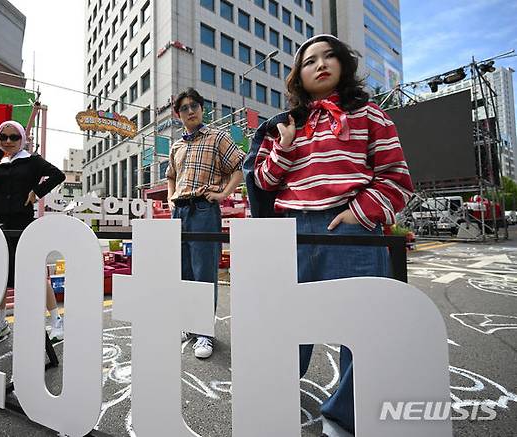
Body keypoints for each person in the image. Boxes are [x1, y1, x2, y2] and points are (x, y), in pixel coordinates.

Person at [253, 34, 414, 436]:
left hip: (352, 229)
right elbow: (263, 180)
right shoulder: (284, 125)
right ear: (298, 76)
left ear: (344, 64)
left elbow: (398, 180)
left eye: (329, 56)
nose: (320, 64)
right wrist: (284, 147)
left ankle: (343, 416)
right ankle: (276, 393)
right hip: (292, 232)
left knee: (362, 327)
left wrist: (357, 213)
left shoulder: (371, 116)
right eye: (310, 61)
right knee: (289, 322)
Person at [0, 120, 67, 346]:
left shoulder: (32, 161)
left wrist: (36, 192)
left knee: (33, 273)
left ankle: (56, 321)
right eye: (3, 137)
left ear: (22, 138)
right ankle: (1, 325)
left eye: (14, 137)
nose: (8, 141)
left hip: (21, 223)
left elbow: (58, 175)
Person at [166, 88, 245, 359]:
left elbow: (239, 166)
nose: (190, 111)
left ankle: (205, 334)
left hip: (203, 210)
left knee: (203, 273)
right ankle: (190, 324)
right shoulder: (176, 146)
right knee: (184, 272)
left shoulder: (217, 137)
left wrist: (223, 194)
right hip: (180, 211)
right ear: (178, 115)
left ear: (202, 109)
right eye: (185, 108)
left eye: (194, 106)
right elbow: (171, 176)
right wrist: (170, 198)